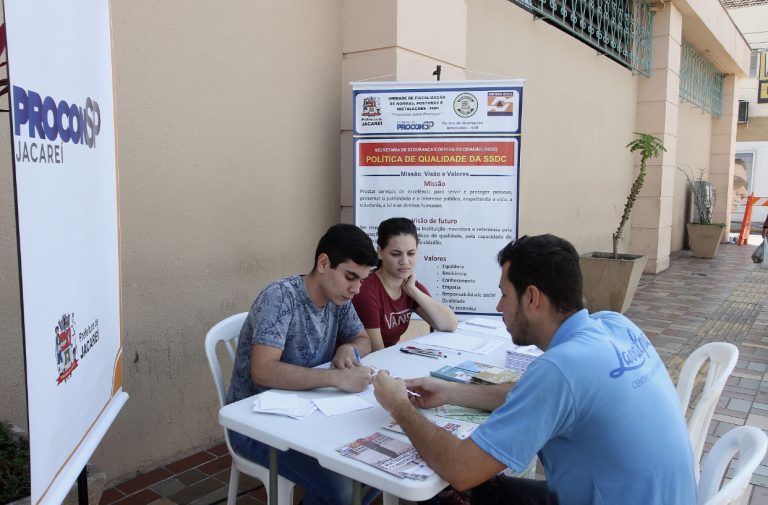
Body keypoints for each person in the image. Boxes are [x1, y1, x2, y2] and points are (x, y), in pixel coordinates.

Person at [373, 234, 697, 505]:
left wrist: (399, 406)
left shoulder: (561, 368)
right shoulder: (615, 324)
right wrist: (450, 391)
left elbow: (461, 468)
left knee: (444, 493)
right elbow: (528, 394)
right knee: (481, 491)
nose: (499, 307)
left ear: (532, 298)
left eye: (504, 295)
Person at [226, 223, 380, 505]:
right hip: (256, 426)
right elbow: (263, 371)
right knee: (344, 490)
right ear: (324, 263)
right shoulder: (280, 296)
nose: (356, 289)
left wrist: (348, 348)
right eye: (350, 277)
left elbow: (362, 339)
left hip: (310, 415)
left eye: (362, 280)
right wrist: (335, 379)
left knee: (378, 468)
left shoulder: (339, 298)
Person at [353, 217, 457, 351]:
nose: (405, 261)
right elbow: (375, 351)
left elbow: (449, 324)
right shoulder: (366, 291)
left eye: (411, 253)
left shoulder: (410, 286)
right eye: (396, 254)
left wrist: (413, 291)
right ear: (380, 252)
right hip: (364, 364)